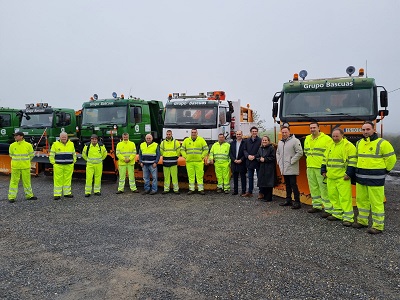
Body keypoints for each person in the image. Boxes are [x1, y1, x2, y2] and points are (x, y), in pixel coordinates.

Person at [352, 121, 396, 234]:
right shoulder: (359, 143)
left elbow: (391, 159)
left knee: (376, 202)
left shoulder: (383, 143)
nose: (365, 132)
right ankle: (362, 221)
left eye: (368, 129)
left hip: (375, 179)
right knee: (361, 201)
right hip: (361, 178)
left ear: (373, 130)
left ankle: (378, 226)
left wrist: (384, 171)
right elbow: (356, 159)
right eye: (363, 130)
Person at [321, 128, 356, 226]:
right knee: (333, 196)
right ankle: (337, 214)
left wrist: (349, 174)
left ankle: (348, 218)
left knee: (345, 198)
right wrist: (323, 169)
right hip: (331, 176)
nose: (335, 138)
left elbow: (353, 161)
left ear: (342, 135)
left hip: (342, 177)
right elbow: (325, 159)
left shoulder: (348, 146)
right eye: (333, 136)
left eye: (337, 136)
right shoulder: (330, 145)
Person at [304, 122, 334, 217]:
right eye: (311, 128)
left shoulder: (327, 139)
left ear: (319, 128)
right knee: (313, 187)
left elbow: (330, 153)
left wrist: (325, 168)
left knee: (324, 188)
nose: (312, 129)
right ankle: (316, 205)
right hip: (310, 167)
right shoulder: (307, 138)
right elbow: (306, 152)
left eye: (314, 127)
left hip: (321, 168)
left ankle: (328, 208)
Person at [276, 126, 303, 209]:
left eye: (286, 132)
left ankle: (297, 202)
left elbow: (300, 152)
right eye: (283, 132)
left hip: (291, 167)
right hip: (284, 167)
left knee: (293, 184)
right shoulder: (280, 142)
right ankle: (288, 200)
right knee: (287, 184)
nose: (284, 134)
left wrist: (291, 161)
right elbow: (278, 152)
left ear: (289, 132)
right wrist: (279, 161)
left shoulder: (295, 141)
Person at [8, 132, 37, 202]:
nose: (15, 137)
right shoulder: (12, 145)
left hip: (25, 167)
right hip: (16, 167)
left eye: (16, 136)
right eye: (14, 135)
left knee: (27, 182)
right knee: (14, 182)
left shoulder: (28, 145)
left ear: (21, 137)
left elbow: (31, 155)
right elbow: (11, 154)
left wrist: (25, 162)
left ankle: (29, 196)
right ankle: (11, 197)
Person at [49, 132, 76, 200]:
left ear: (67, 137)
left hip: (69, 165)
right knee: (58, 180)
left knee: (68, 179)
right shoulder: (55, 144)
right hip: (58, 165)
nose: (64, 138)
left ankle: (67, 193)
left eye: (65, 137)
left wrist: (73, 161)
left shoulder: (71, 144)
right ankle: (57, 194)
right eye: (62, 137)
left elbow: (74, 153)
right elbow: (52, 154)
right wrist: (53, 163)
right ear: (60, 137)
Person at [181, 129, 208, 195]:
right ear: (191, 133)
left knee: (200, 176)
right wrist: (185, 156)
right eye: (192, 132)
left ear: (197, 133)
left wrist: (202, 156)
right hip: (189, 161)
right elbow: (182, 149)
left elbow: (206, 149)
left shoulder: (201, 140)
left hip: (199, 161)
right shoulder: (186, 140)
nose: (193, 133)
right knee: (191, 176)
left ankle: (201, 189)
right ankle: (191, 189)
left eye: (194, 132)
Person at [242, 126, 261, 198]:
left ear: (257, 132)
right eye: (253, 131)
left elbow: (261, 150)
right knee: (250, 177)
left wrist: (255, 156)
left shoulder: (260, 140)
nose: (254, 132)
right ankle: (250, 192)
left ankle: (261, 192)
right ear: (251, 132)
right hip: (249, 161)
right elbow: (244, 150)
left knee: (259, 177)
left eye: (255, 131)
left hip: (257, 161)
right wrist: (247, 156)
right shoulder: (247, 141)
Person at [256, 135, 276, 202]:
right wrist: (259, 159)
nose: (264, 141)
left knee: (269, 183)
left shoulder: (271, 148)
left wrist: (265, 159)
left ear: (268, 141)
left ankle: (269, 197)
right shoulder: (260, 148)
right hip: (262, 167)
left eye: (265, 140)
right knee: (263, 182)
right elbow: (257, 156)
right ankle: (264, 196)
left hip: (269, 168)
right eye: (263, 140)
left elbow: (273, 158)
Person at [160, 130, 181, 194]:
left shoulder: (176, 142)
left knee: (174, 176)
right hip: (166, 162)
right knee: (166, 176)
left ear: (171, 134)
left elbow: (178, 151)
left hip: (173, 162)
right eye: (167, 134)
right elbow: (161, 151)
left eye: (169, 134)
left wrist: (176, 157)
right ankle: (166, 189)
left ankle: (176, 189)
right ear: (166, 135)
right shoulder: (163, 142)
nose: (168, 135)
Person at [229, 130, 247, 195]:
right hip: (234, 162)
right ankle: (235, 191)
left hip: (242, 162)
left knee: (243, 177)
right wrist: (234, 160)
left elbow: (246, 153)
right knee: (235, 177)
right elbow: (230, 153)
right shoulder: (232, 143)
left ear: (242, 135)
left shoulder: (245, 143)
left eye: (239, 134)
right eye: (237, 134)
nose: (238, 135)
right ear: (235, 135)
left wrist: (241, 160)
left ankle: (243, 191)